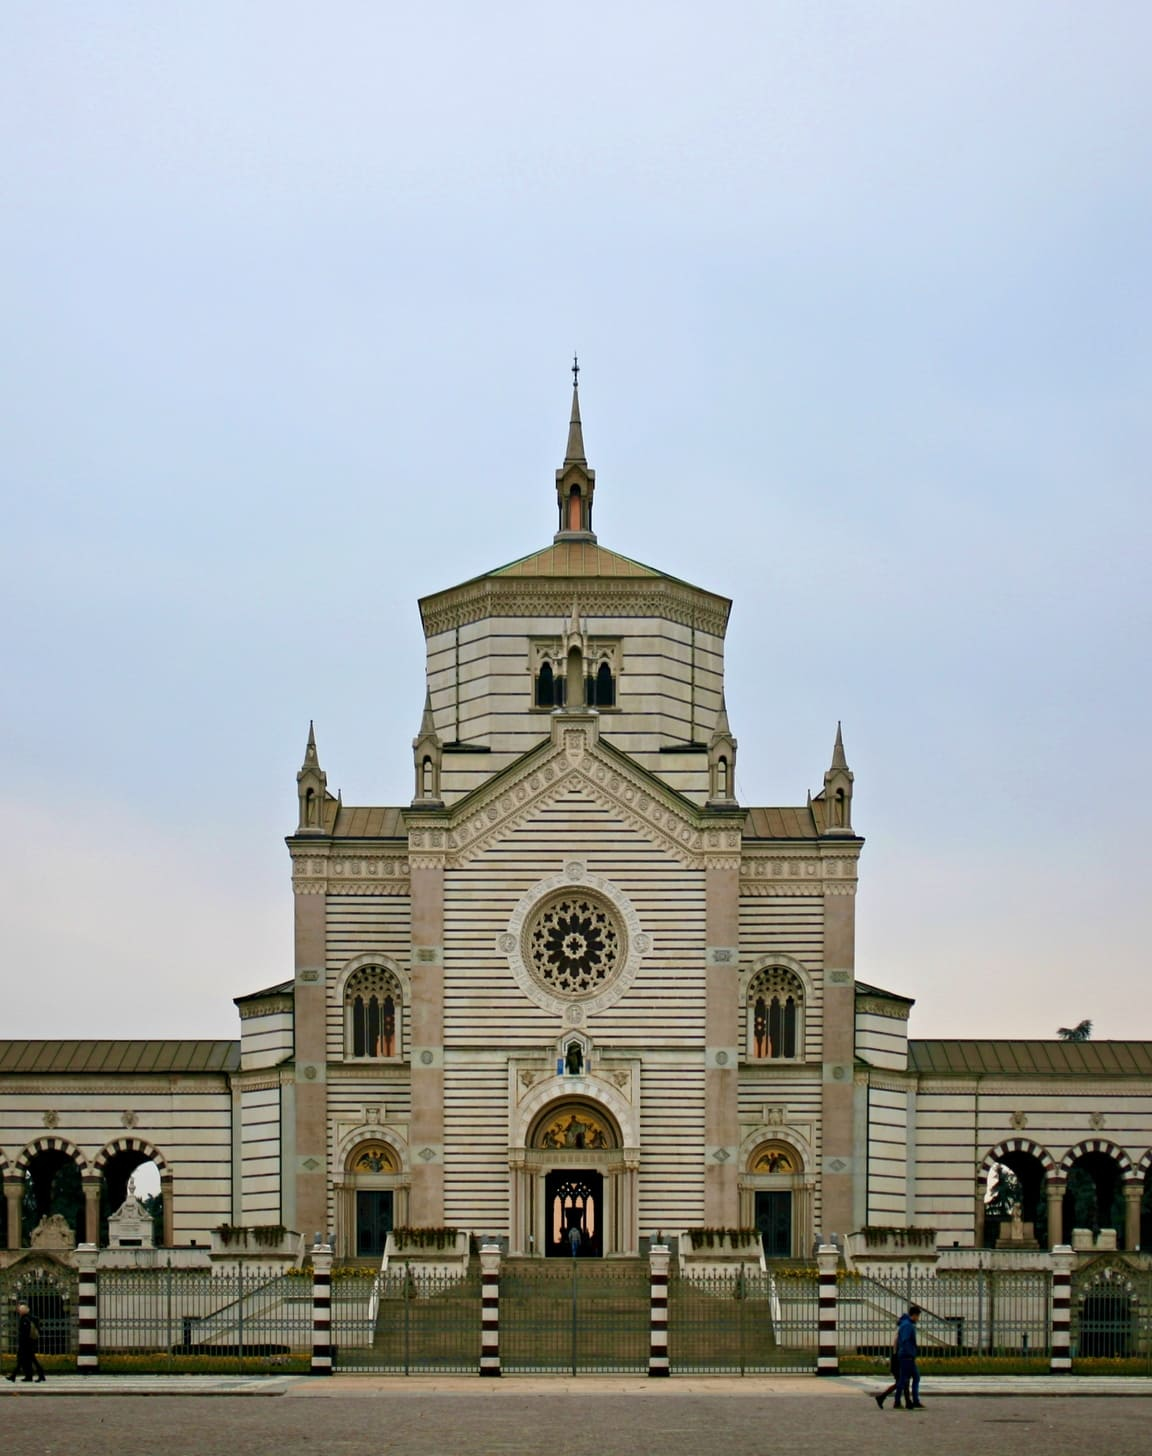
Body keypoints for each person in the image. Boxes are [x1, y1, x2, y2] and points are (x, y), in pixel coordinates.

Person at [892, 1304, 923, 1410]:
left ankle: (915, 1400)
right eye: (918, 1316)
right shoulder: (907, 1326)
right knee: (904, 1379)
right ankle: (898, 1401)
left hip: (907, 1356)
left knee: (914, 1377)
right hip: (906, 1356)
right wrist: (910, 1352)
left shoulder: (906, 1324)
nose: (918, 1319)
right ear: (914, 1315)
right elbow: (905, 1341)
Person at [6, 1302, 46, 1383]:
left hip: (26, 1344)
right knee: (23, 1360)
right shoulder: (29, 1318)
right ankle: (20, 1376)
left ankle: (40, 1375)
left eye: (20, 1310)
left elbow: (25, 1333)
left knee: (29, 1360)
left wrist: (22, 1344)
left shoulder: (25, 1319)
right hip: (28, 1344)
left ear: (23, 1311)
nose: (19, 1311)